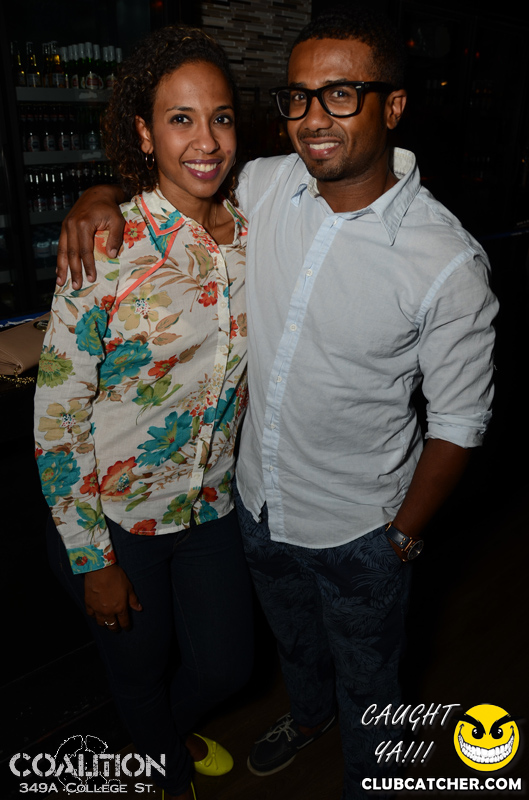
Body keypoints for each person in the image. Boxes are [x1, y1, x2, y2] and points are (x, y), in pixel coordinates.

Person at [55, 8, 498, 799]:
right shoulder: (263, 188)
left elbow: (460, 422)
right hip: (253, 510)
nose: (313, 118)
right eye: (297, 97)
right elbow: (175, 179)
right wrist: (98, 194)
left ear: (392, 106)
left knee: (371, 686)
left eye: (340, 94)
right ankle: (299, 719)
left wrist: (401, 537)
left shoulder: (444, 260)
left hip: (359, 529)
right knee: (290, 652)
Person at [35, 26, 254, 800]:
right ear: (143, 132)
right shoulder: (107, 243)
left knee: (228, 666)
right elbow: (57, 417)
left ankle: (158, 734)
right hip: (116, 518)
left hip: (212, 505)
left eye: (220, 117)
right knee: (136, 666)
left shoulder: (256, 235)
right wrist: (92, 559)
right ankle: (161, 764)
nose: (206, 140)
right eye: (180, 118)